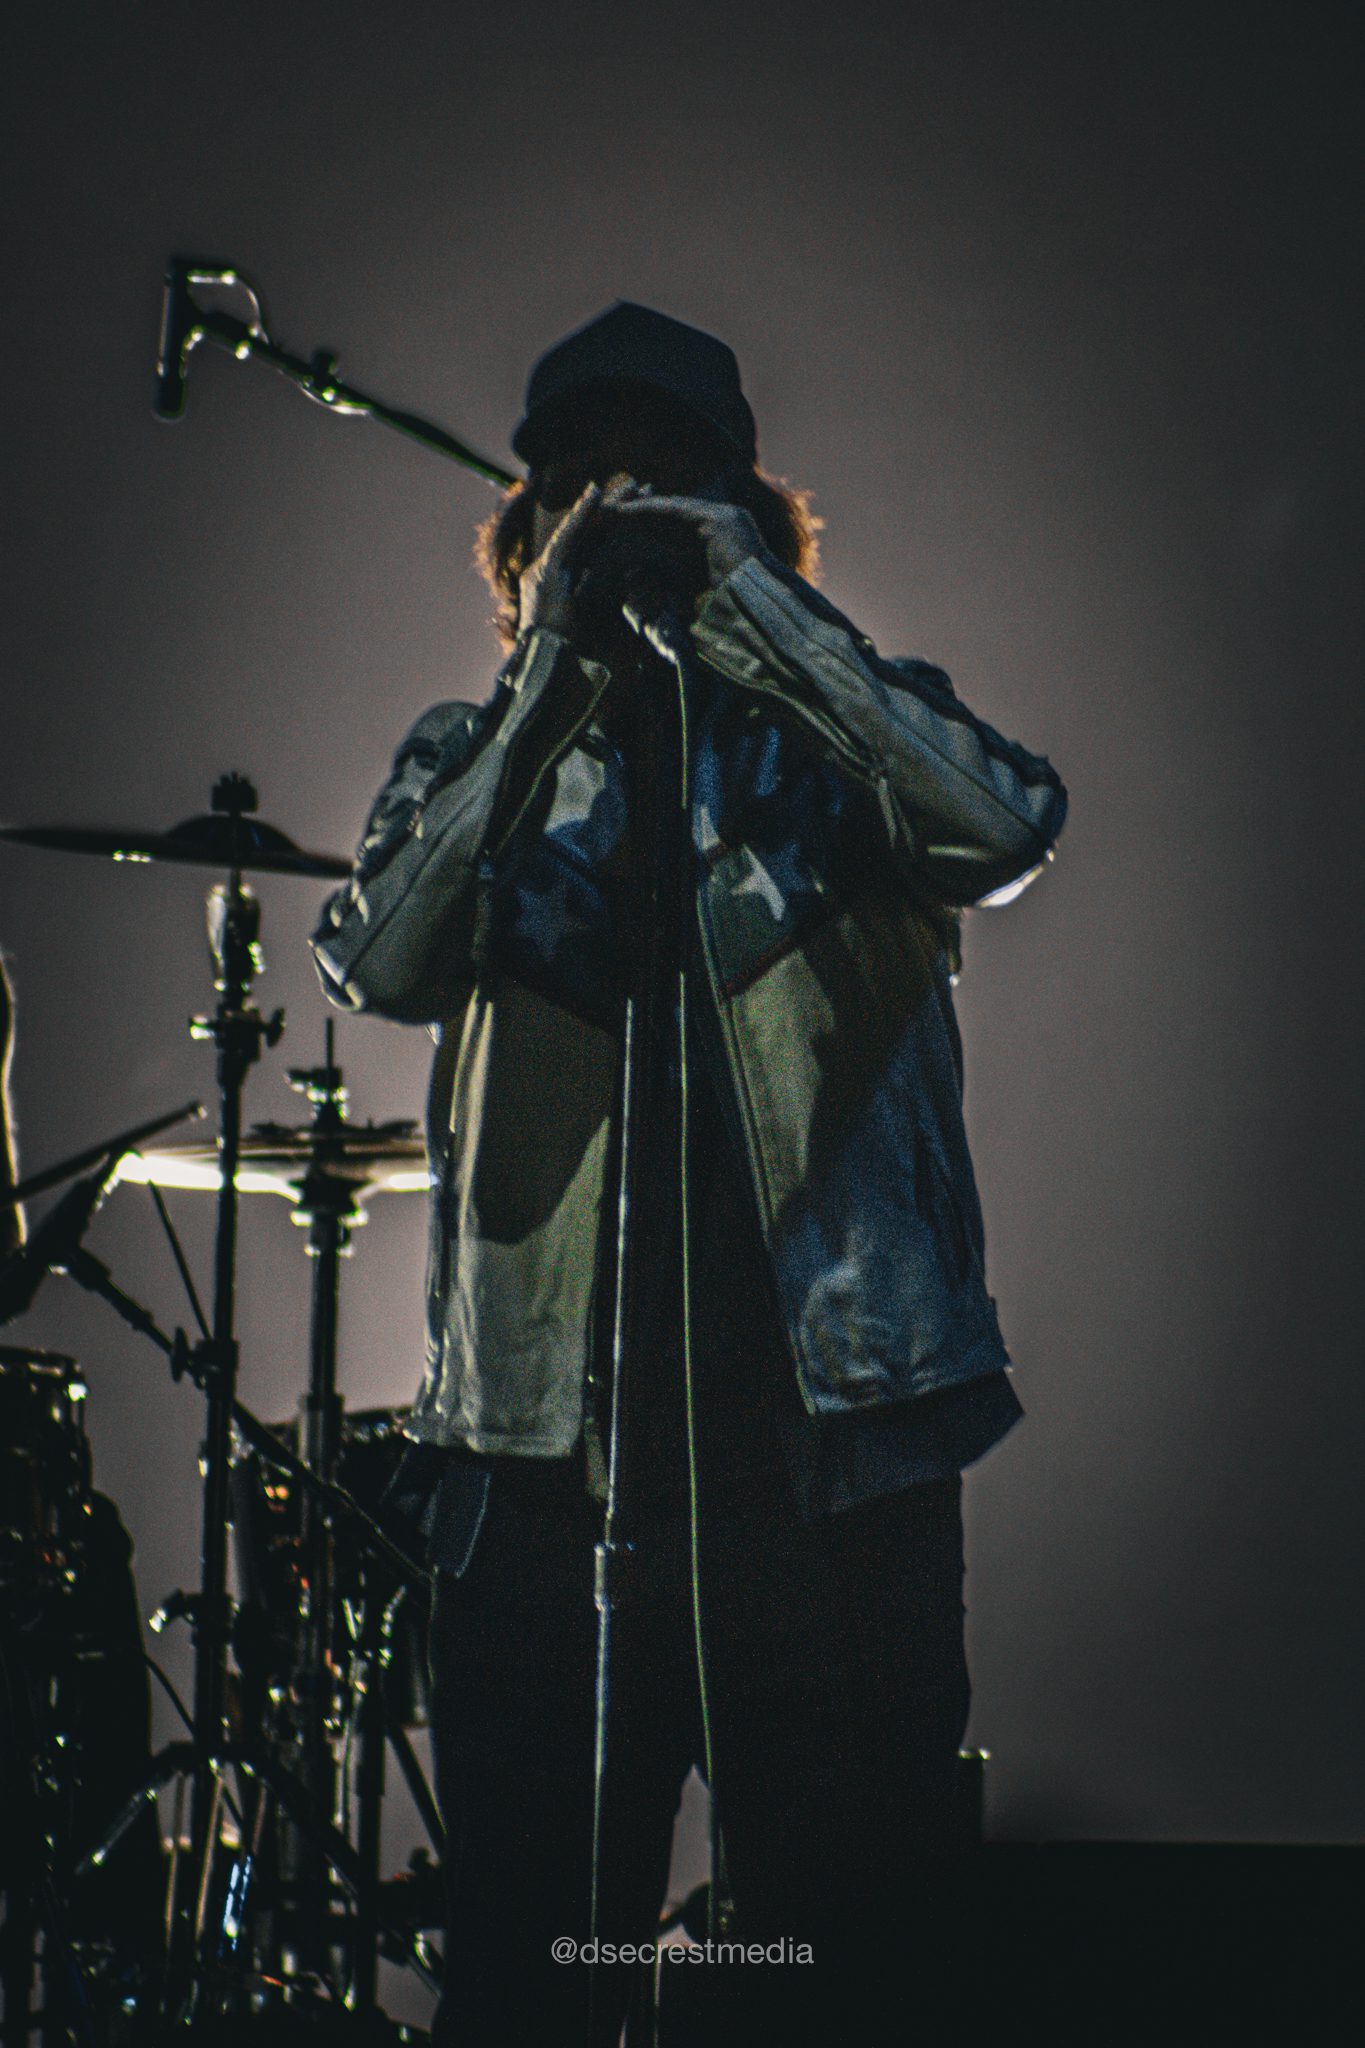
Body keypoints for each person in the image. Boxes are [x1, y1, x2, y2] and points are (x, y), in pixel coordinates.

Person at [313, 302, 1068, 2045]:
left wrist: (756, 611)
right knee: (530, 1973)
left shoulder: (851, 742)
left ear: (747, 509)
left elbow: (1009, 825)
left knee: (834, 1980)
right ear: (524, 530)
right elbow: (381, 960)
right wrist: (545, 675)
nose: (618, 507)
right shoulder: (467, 756)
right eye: (576, 482)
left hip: (831, 1459)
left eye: (664, 477)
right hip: (540, 1471)